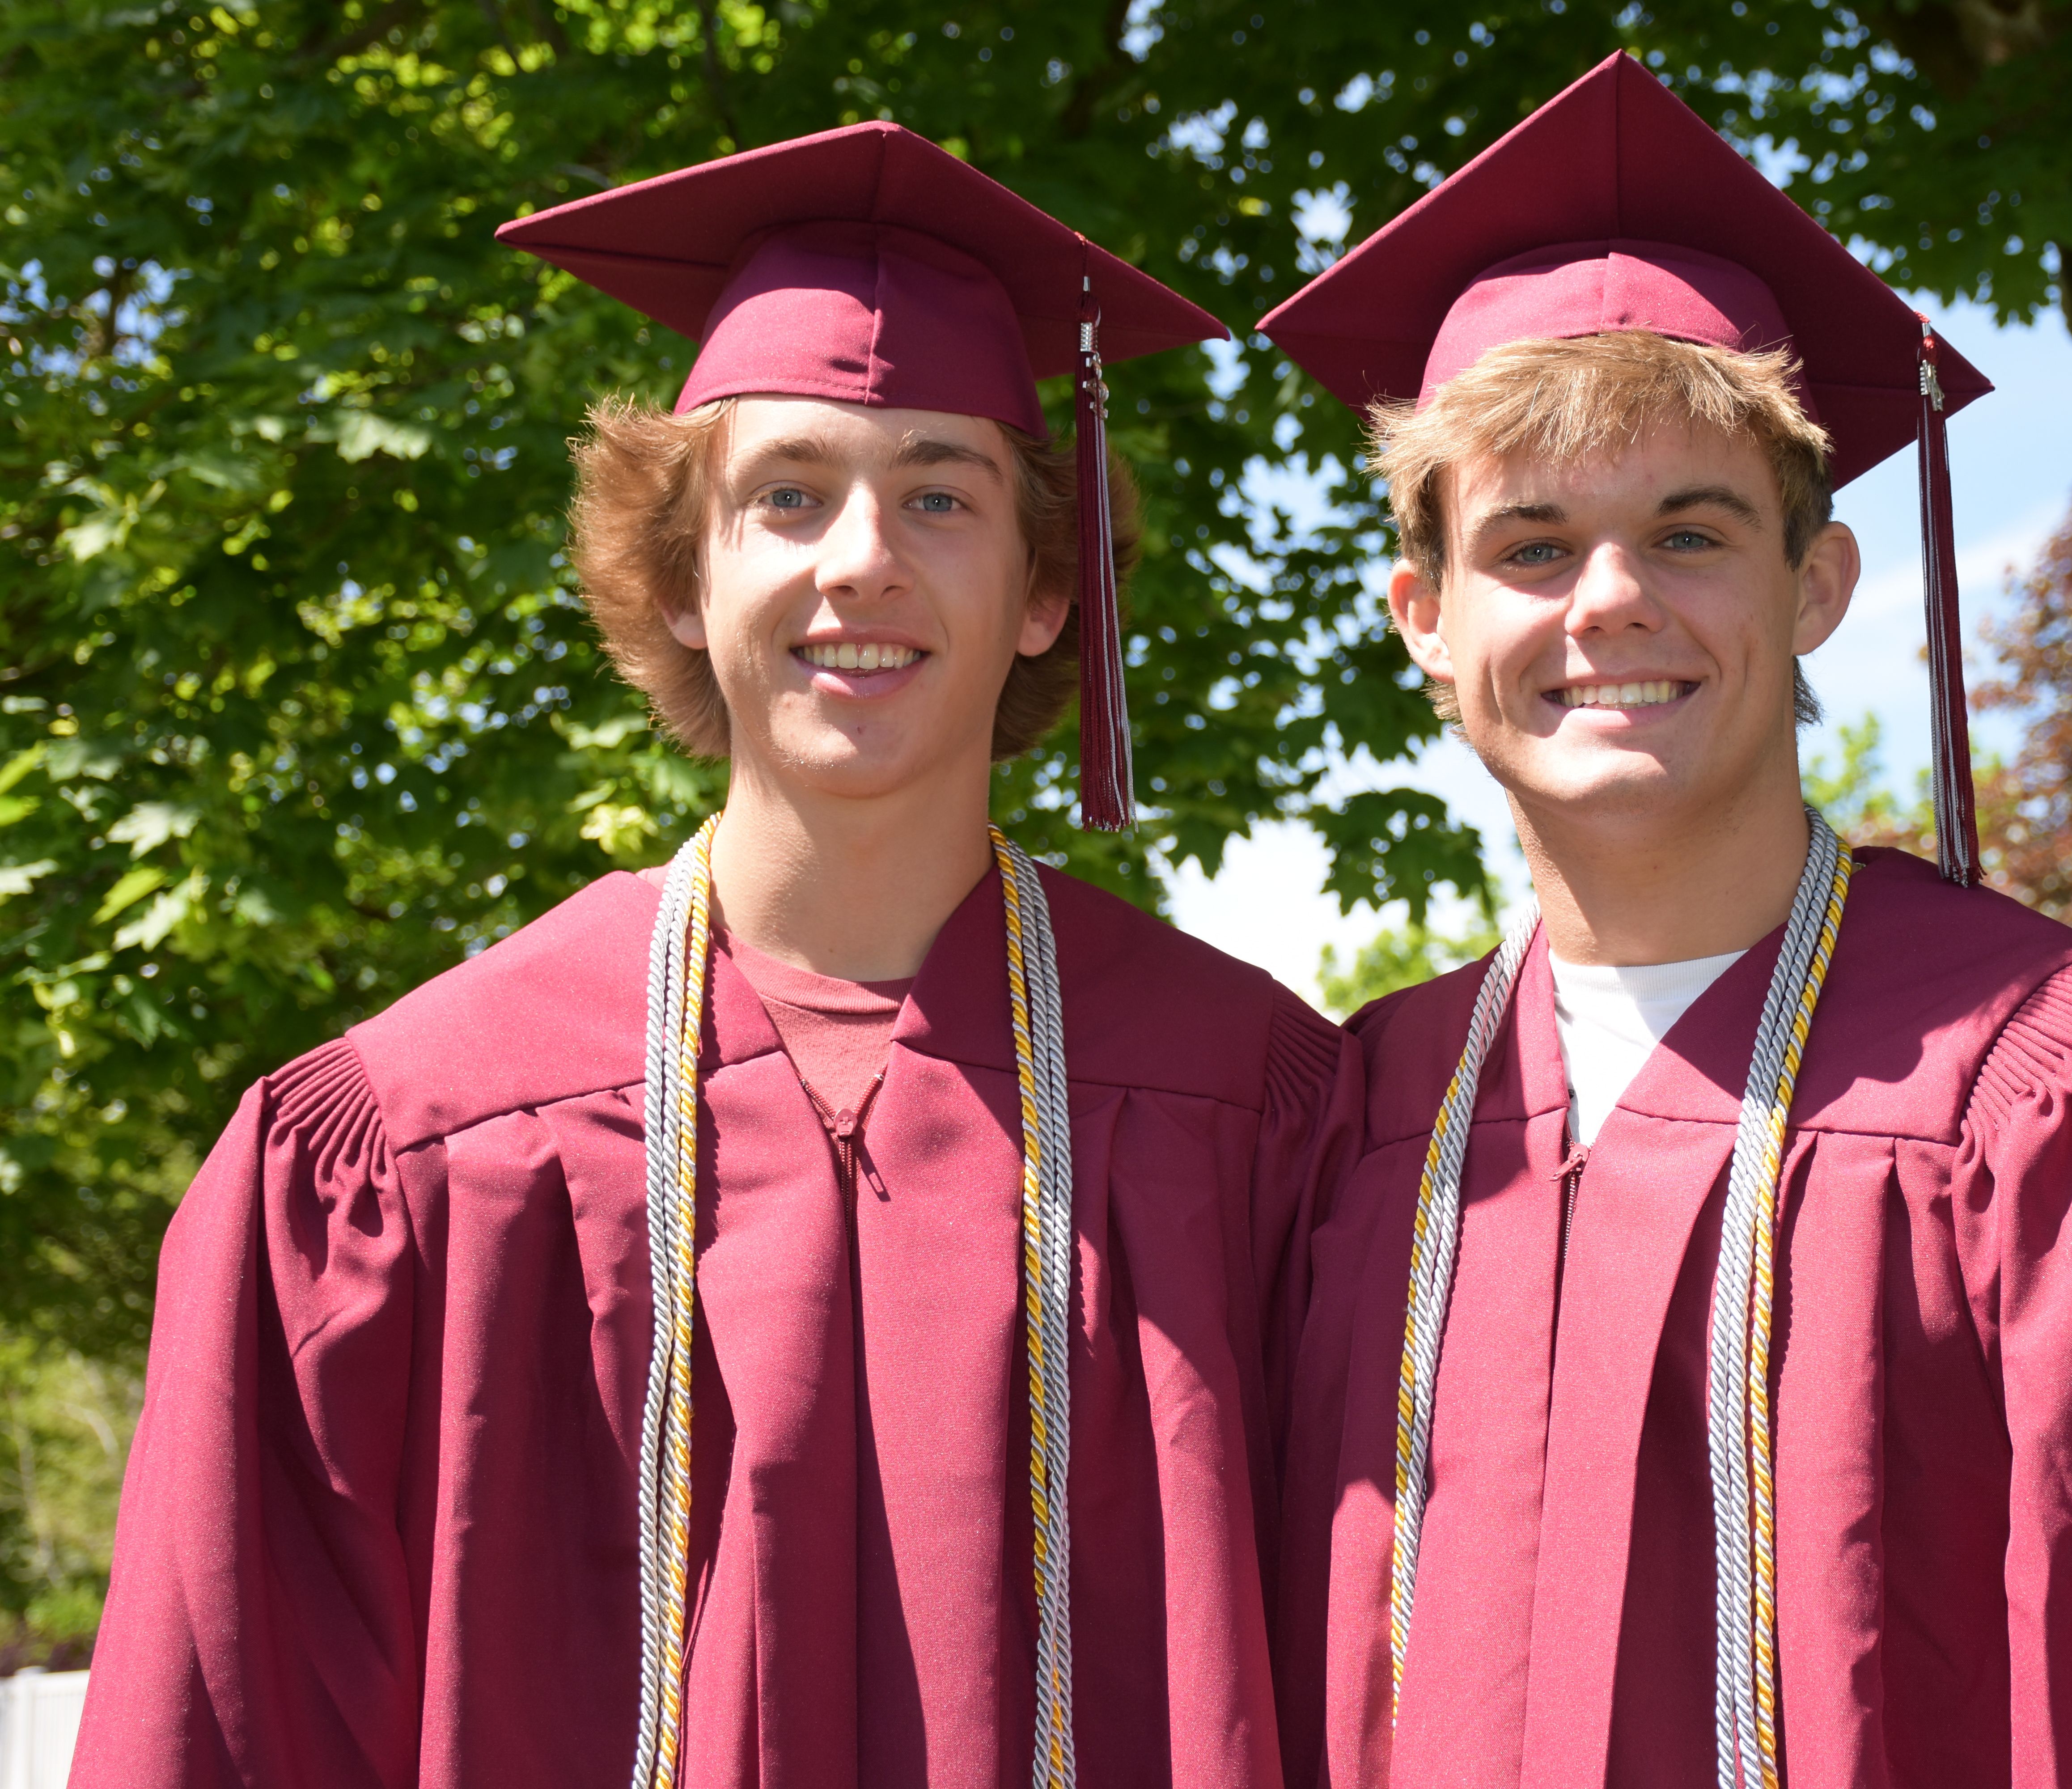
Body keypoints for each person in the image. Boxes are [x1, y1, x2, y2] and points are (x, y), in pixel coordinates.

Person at [1260, 52, 2072, 1789]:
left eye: (1691, 531)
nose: (1613, 601)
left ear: (1818, 588)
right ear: (1422, 612)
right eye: (1536, 545)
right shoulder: (1351, 1124)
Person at [74, 122, 1352, 1789]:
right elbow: (223, 1719)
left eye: (941, 493)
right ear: (685, 581)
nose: (862, 559)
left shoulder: (1254, 1115)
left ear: (1049, 591)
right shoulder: (406, 1146)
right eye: (790, 495)